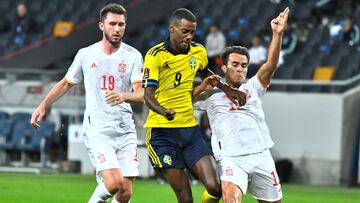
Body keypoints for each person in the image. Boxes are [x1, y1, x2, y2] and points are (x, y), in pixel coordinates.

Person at [30, 4, 143, 203]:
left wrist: (124, 96)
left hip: (125, 129)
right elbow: (66, 83)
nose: (117, 29)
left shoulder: (133, 56)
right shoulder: (86, 54)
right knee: (113, 184)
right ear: (101, 25)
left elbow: (141, 93)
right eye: (112, 24)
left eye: (121, 25)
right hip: (98, 129)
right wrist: (43, 104)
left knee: (125, 192)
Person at [142, 8, 246, 203]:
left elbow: (205, 73)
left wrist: (228, 89)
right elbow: (148, 96)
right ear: (172, 29)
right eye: (185, 31)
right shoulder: (155, 55)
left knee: (215, 188)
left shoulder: (198, 51)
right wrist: (164, 111)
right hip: (162, 133)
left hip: (189, 131)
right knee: (185, 198)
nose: (189, 36)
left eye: (192, 32)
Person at [193, 7, 289, 203]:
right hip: (231, 157)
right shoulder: (211, 93)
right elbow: (183, 101)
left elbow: (270, 64)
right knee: (231, 199)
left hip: (261, 154)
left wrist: (277, 34)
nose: (240, 70)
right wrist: (201, 86)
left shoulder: (254, 86)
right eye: (235, 64)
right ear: (223, 67)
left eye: (244, 66)